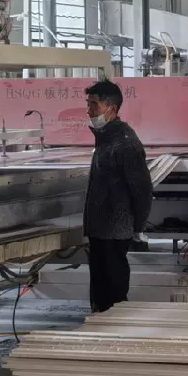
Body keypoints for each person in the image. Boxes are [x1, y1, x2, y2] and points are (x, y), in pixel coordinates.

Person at [82, 79, 153, 312]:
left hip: (116, 229)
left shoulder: (125, 143)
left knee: (113, 288)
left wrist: (139, 227)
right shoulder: (106, 138)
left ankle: (116, 323)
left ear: (111, 109)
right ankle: (101, 321)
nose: (89, 110)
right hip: (100, 228)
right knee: (99, 287)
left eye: (94, 104)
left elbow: (142, 189)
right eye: (88, 104)